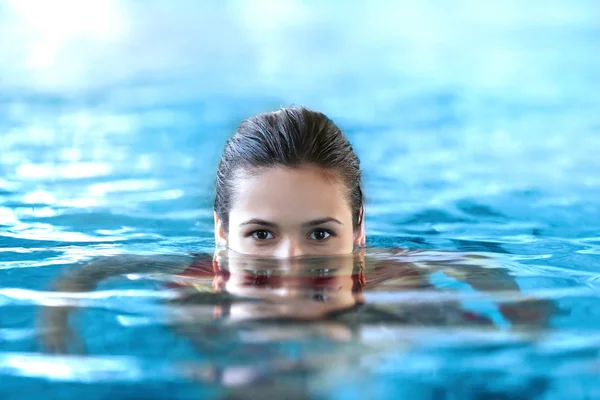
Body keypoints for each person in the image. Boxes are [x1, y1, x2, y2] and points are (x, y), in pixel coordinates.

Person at [39, 107, 556, 355]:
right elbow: (92, 270)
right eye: (262, 234)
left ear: (358, 231)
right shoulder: (196, 282)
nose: (290, 260)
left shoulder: (391, 284)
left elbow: (478, 266)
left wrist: (528, 331)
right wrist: (57, 341)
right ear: (221, 231)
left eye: (320, 234)